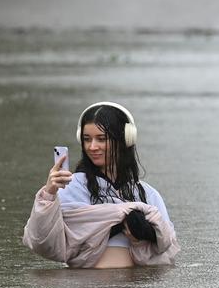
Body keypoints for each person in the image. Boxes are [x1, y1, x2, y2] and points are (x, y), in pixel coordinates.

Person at [23, 102, 180, 269]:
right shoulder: (70, 187)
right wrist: (49, 193)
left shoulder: (148, 194)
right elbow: (41, 242)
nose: (92, 147)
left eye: (101, 139)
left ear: (125, 139)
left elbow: (167, 252)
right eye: (86, 139)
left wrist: (140, 237)